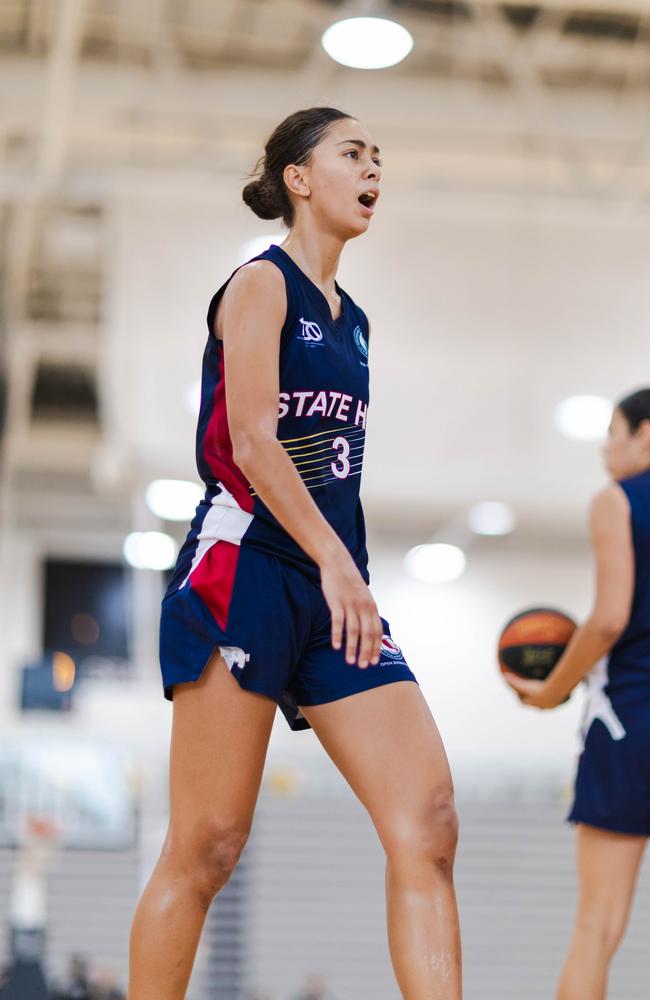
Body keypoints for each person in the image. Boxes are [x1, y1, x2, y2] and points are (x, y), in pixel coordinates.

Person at [128, 107, 461, 1000]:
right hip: (246, 570)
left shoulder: (355, 322)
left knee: (427, 820)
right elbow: (252, 439)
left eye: (380, 157)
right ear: (298, 178)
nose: (373, 168)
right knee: (206, 846)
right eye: (353, 152)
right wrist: (337, 562)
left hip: (330, 588)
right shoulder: (257, 286)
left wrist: (339, 570)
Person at [505, 388, 650, 1000]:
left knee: (597, 927)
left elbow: (610, 619)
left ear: (645, 435)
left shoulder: (616, 501)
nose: (605, 448)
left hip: (629, 724)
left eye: (614, 432)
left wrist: (548, 691)